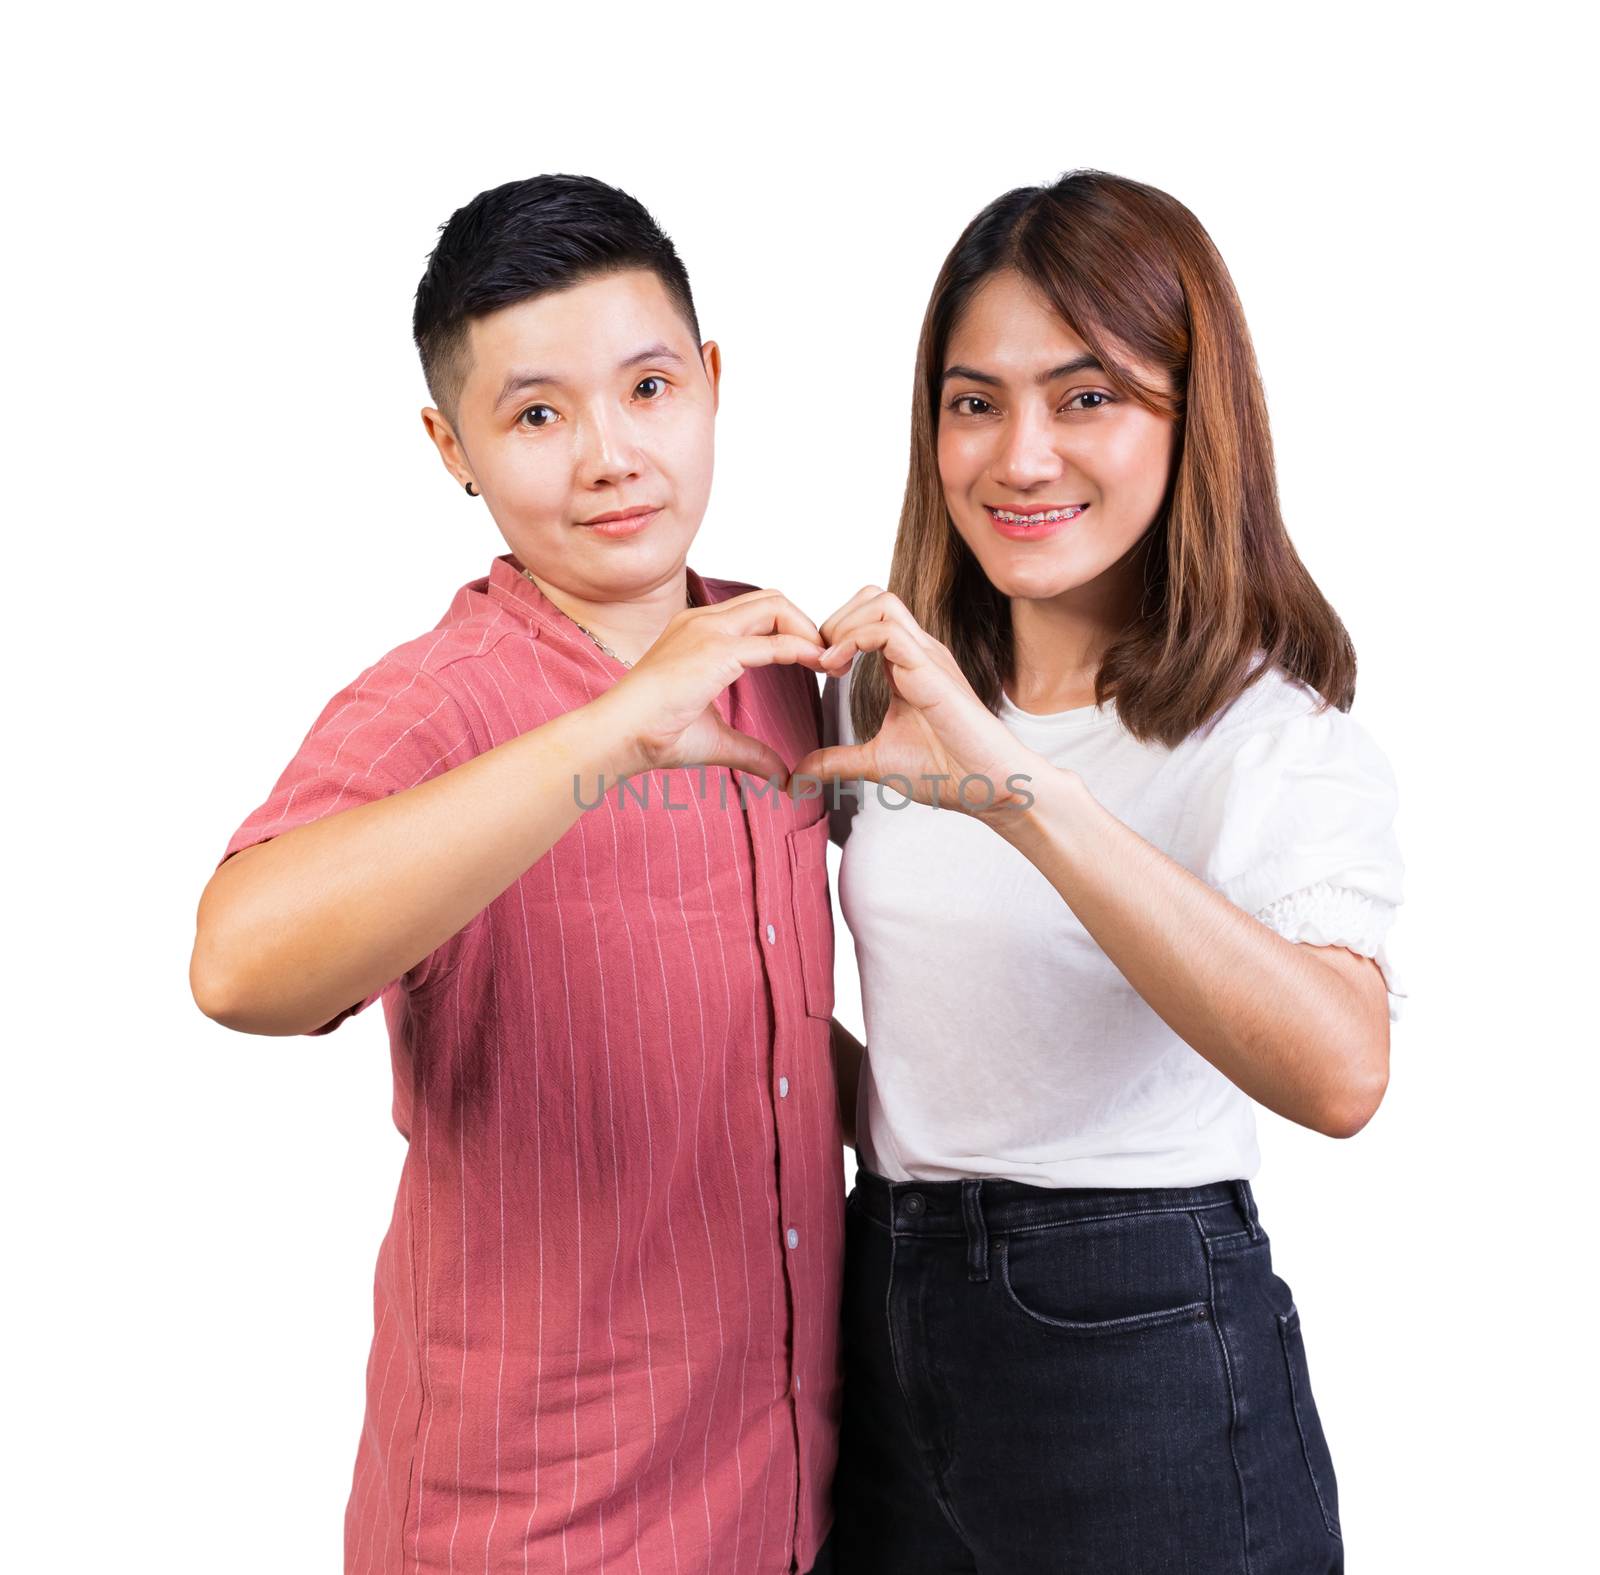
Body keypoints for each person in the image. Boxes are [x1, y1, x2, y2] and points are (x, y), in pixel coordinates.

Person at [190, 174, 846, 1575]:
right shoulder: (441, 703)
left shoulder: (780, 665)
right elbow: (238, 965)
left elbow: (757, 1016)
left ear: (712, 385)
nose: (610, 454)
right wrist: (614, 727)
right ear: (453, 448)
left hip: (785, 1512)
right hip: (531, 1530)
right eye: (538, 414)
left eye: (649, 388)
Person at [796, 170, 1405, 1573]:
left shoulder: (1268, 741)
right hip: (881, 1299)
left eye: (1088, 398)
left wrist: (1020, 799)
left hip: (1130, 1347)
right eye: (973, 400)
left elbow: (1343, 1074)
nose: (1020, 456)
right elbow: (941, 1061)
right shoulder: (898, 695)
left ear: (1195, 423)